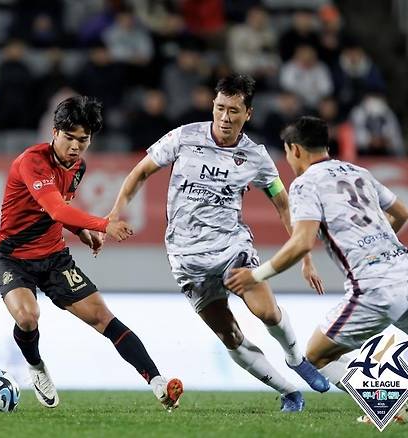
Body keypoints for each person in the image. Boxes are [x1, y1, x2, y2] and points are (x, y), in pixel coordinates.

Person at [108, 74, 329, 413]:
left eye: (234, 111)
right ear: (213, 106)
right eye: (220, 109)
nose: (225, 119)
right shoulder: (184, 137)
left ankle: (296, 358)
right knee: (230, 336)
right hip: (186, 257)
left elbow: (283, 203)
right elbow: (138, 173)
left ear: (248, 114)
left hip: (232, 249)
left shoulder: (254, 156)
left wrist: (304, 255)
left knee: (267, 311)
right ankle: (289, 393)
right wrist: (114, 214)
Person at [225, 116, 408, 424]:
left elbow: (302, 242)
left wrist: (256, 275)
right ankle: (390, 402)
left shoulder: (305, 183)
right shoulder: (359, 172)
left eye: (287, 152)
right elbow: (402, 212)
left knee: (315, 355)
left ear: (294, 150)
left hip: (375, 285)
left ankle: (389, 401)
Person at [0, 96, 183, 410]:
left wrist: (81, 232)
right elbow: (54, 209)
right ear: (54, 133)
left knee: (103, 318)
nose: (75, 146)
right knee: (28, 318)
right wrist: (103, 224)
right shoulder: (32, 161)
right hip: (13, 256)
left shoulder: (78, 167)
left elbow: (61, 206)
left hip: (54, 257)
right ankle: (37, 367)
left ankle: (158, 384)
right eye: (69, 138)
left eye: (83, 140)